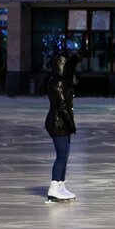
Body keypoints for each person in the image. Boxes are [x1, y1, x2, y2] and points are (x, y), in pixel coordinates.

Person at [45, 52, 79, 203]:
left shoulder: (62, 82)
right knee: (61, 156)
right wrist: (71, 124)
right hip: (57, 123)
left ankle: (61, 186)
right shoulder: (57, 83)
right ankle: (54, 188)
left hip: (63, 122)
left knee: (65, 156)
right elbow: (62, 106)